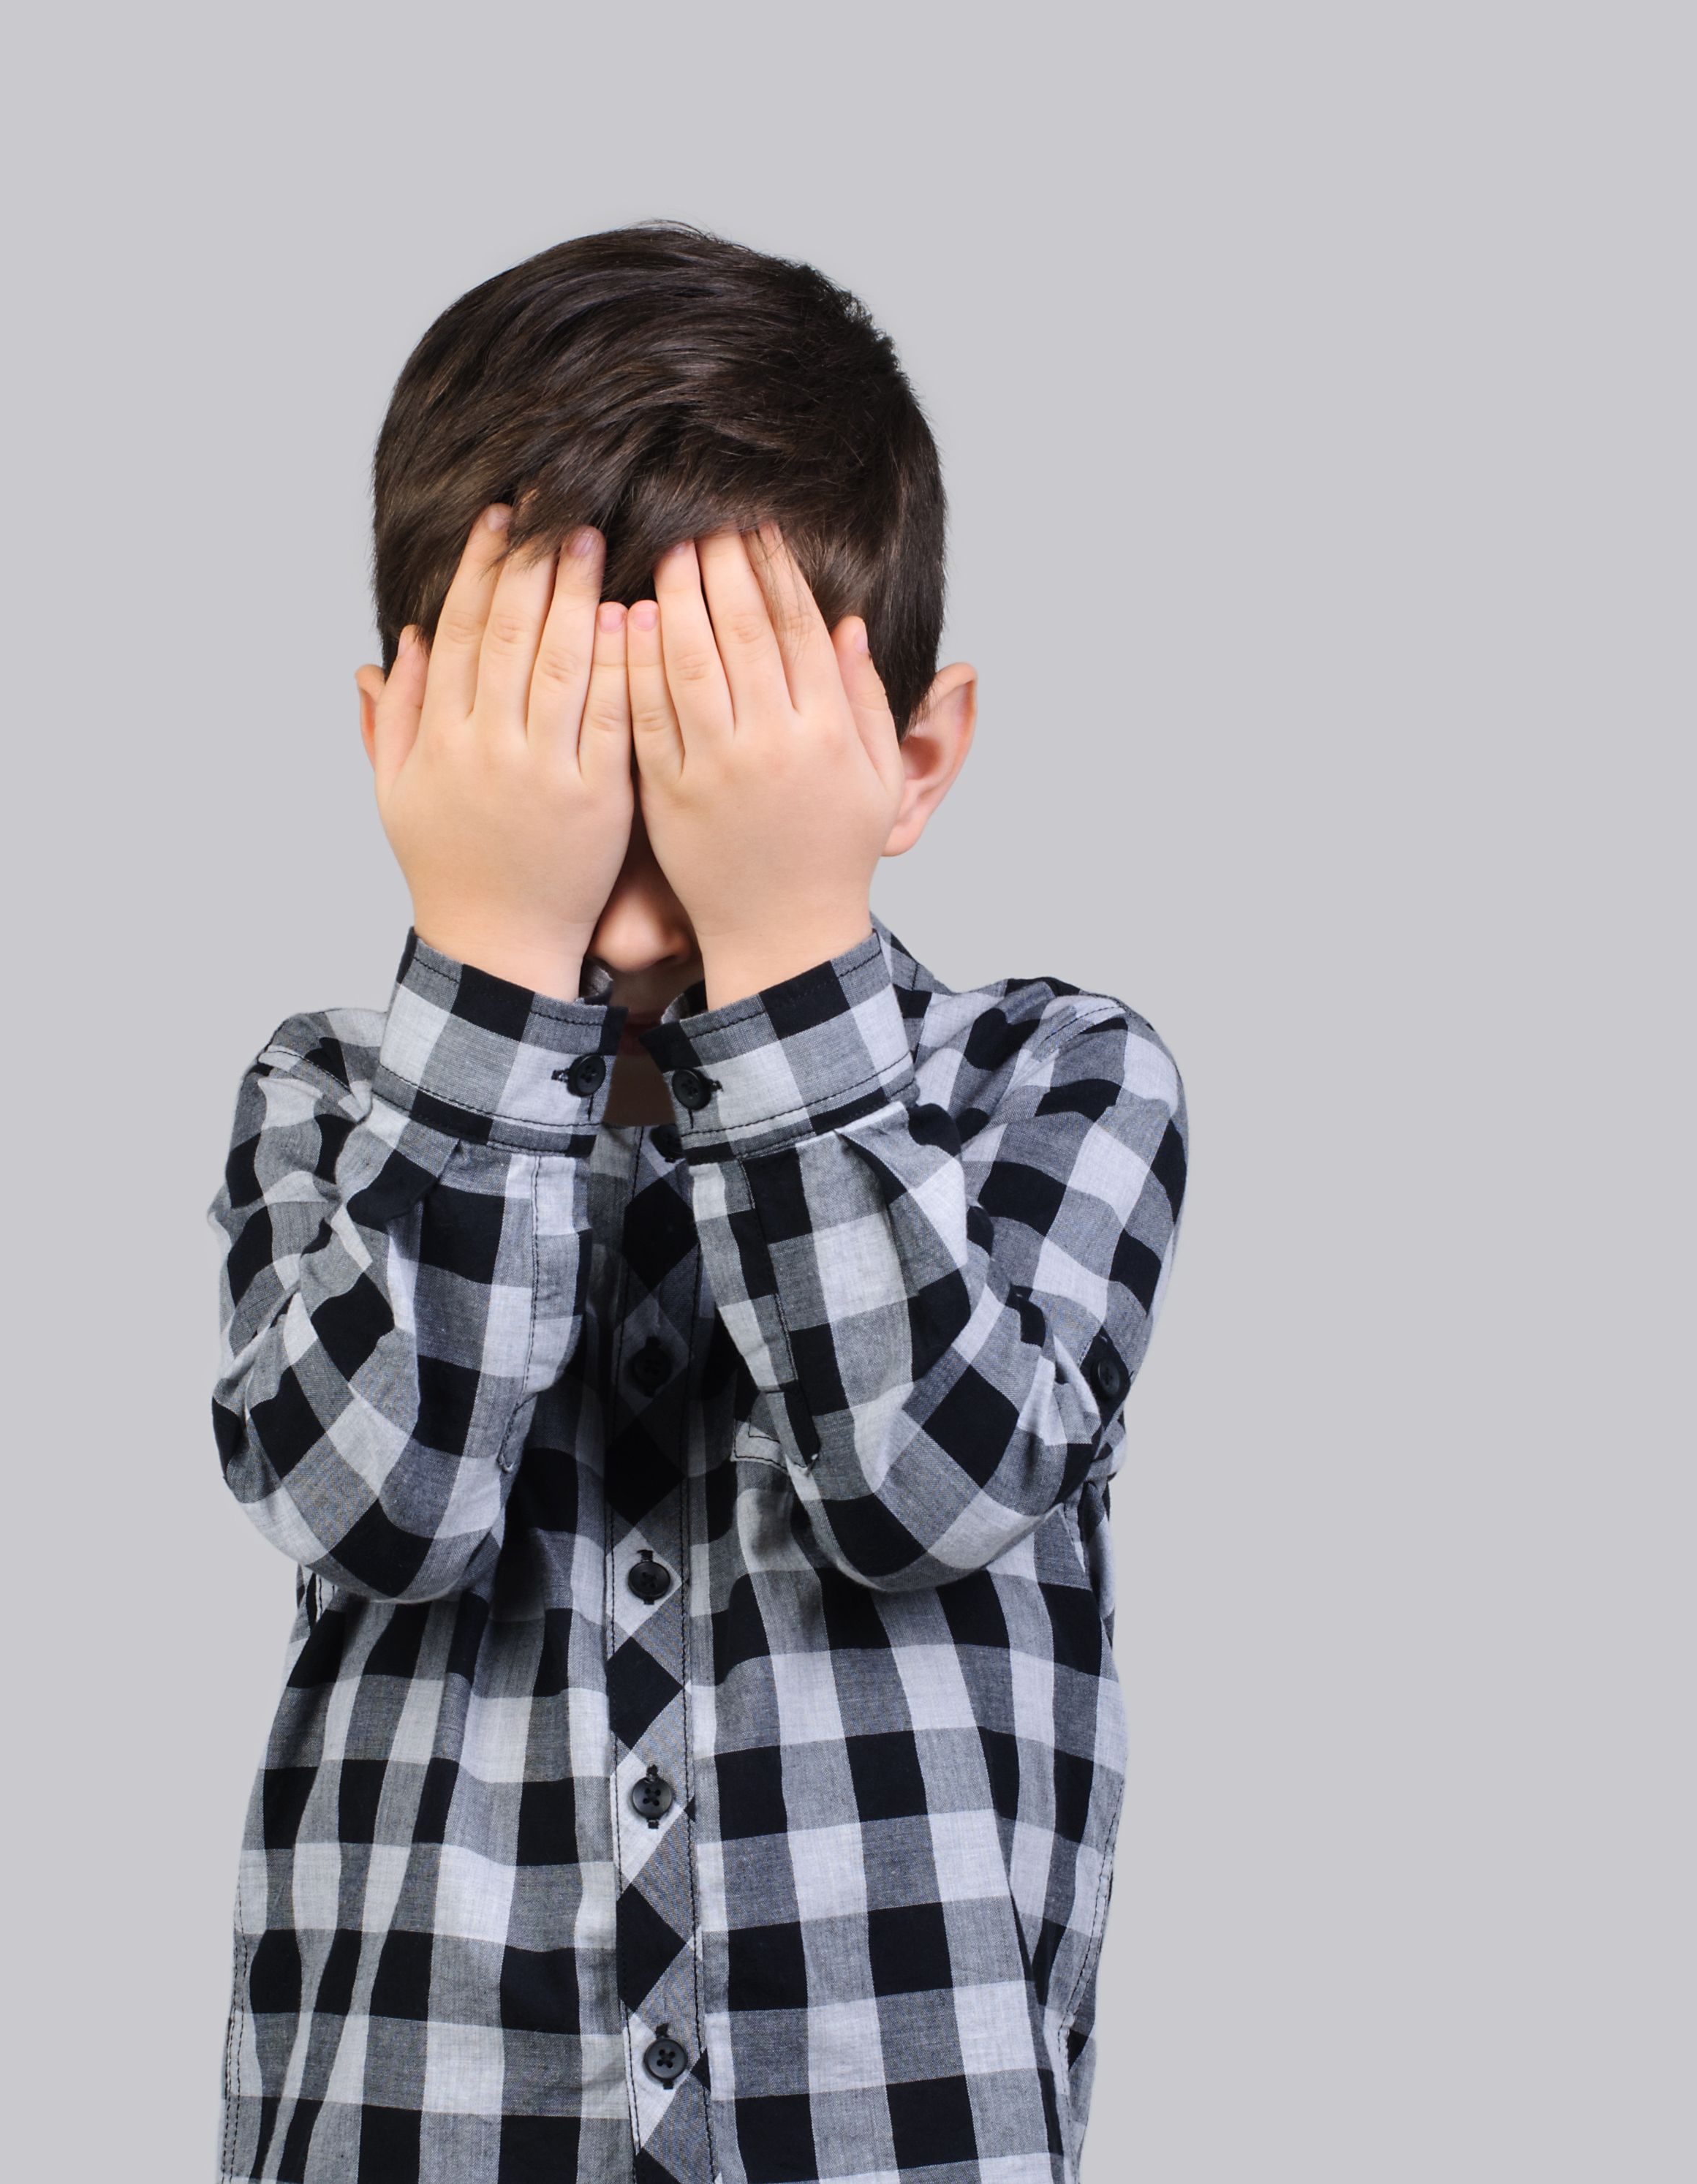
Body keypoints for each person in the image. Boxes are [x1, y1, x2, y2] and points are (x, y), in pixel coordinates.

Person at [203, 222, 1190, 2184]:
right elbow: (373, 1506)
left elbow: (935, 1484)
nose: (634, 828)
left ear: (906, 759)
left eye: (714, 754)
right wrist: (488, 954)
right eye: (567, 742)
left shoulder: (1057, 1082)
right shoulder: (332, 1100)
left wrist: (783, 942)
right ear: (417, 742)